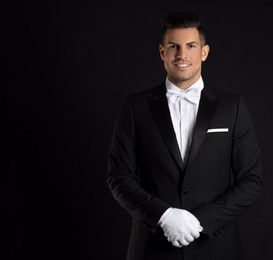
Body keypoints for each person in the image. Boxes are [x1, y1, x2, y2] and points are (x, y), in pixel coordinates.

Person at [107, 10, 263, 260]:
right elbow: (119, 178)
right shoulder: (135, 107)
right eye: (174, 46)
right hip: (152, 249)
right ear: (162, 52)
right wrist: (164, 216)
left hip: (215, 248)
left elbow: (251, 180)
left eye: (191, 46)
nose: (182, 55)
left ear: (204, 52)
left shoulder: (231, 107)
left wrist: (201, 220)